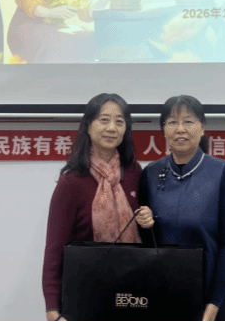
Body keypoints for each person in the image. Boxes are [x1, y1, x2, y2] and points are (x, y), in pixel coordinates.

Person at [140, 95, 225, 321]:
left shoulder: (222, 172)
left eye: (188, 121)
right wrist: (145, 222)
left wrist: (213, 305)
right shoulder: (150, 174)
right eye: (172, 122)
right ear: (163, 130)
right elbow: (147, 241)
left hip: (213, 291)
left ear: (202, 127)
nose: (180, 129)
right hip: (165, 290)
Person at [42, 93, 153, 322]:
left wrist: (148, 220)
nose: (111, 128)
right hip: (83, 296)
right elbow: (54, 250)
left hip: (131, 292)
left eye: (119, 121)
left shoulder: (134, 173)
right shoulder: (72, 181)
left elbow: (147, 238)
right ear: (89, 126)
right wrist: (53, 311)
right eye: (104, 120)